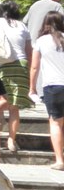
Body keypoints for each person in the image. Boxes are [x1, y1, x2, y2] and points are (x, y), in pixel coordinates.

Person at [0, 1, 33, 152]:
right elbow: (29, 51)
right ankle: (11, 140)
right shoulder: (23, 26)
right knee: (14, 107)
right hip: (21, 65)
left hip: (1, 65)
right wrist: (30, 71)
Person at [29, 11, 64, 170]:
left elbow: (34, 67)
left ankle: (60, 160)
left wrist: (32, 88)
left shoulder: (41, 41)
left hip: (52, 86)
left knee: (55, 123)